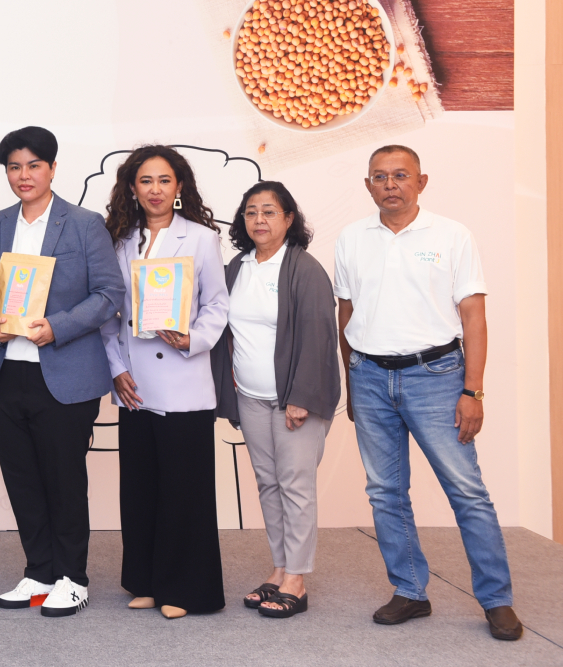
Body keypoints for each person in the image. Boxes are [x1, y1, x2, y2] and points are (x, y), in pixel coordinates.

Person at [335, 145, 521, 641]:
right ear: (368, 185)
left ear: (421, 181)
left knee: (467, 491)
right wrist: (351, 380)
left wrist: (473, 391)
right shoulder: (352, 238)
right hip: (370, 377)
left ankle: (497, 599)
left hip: (436, 377)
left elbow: (474, 317)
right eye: (379, 177)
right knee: (385, 492)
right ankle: (410, 590)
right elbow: (345, 314)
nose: (390, 184)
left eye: (400, 175)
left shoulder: (452, 235)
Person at [0, 127, 125, 618]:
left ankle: (72, 578)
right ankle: (39, 571)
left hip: (64, 374)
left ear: (53, 169)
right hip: (7, 371)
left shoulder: (84, 224)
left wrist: (56, 328)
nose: (24, 175)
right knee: (21, 478)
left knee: (64, 479)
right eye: (15, 167)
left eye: (34, 165)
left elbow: (109, 294)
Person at [99, 145, 229, 619]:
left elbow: (217, 304)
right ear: (132, 189)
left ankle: (187, 590)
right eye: (145, 181)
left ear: (179, 187)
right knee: (140, 489)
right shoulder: (119, 241)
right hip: (134, 385)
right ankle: (146, 582)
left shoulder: (201, 238)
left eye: (164, 180)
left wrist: (193, 338)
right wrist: (117, 369)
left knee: (184, 492)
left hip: (183, 381)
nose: (155, 189)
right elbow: (108, 314)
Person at [209, 181, 340, 619]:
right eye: (251, 212)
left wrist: (302, 396)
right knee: (268, 484)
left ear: (288, 219)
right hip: (250, 397)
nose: (259, 220)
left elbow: (320, 336)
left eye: (269, 211)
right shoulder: (237, 266)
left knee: (295, 486)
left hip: (293, 400)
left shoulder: (304, 269)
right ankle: (280, 567)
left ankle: (297, 580)